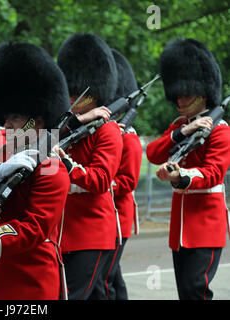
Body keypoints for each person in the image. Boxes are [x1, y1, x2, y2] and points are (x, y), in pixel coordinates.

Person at [0, 42, 71, 300]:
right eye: (4, 118)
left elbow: (35, 227)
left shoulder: (52, 167)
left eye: (14, 119)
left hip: (30, 281)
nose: (5, 125)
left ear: (37, 120)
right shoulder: (2, 156)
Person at [146, 38, 229, 300]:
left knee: (196, 290)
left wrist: (180, 176)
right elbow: (153, 153)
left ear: (202, 92)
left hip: (206, 225)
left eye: (186, 93)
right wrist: (183, 131)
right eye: (177, 93)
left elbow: (213, 172)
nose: (179, 99)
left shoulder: (221, 130)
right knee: (185, 293)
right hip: (180, 228)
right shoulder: (179, 127)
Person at [55, 32, 123, 300]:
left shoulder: (108, 131)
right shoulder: (62, 126)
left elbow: (100, 180)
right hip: (60, 230)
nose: (71, 97)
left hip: (90, 234)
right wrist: (73, 121)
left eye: (77, 92)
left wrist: (66, 164)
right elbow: (31, 141)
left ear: (93, 94)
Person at [97, 49, 143, 300]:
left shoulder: (129, 137)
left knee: (107, 277)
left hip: (117, 218)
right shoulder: (105, 131)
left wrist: (95, 183)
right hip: (102, 215)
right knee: (110, 275)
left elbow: (127, 181)